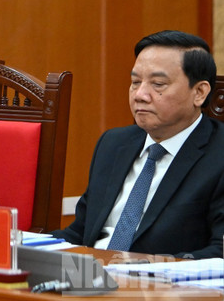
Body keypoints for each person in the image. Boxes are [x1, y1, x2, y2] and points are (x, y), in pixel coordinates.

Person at [51, 30, 224, 258]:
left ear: (199, 93)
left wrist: (147, 271)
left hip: (163, 288)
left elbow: (220, 251)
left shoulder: (218, 155)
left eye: (158, 84)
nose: (140, 95)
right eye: (135, 82)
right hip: (88, 278)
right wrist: (23, 245)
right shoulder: (113, 144)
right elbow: (80, 233)